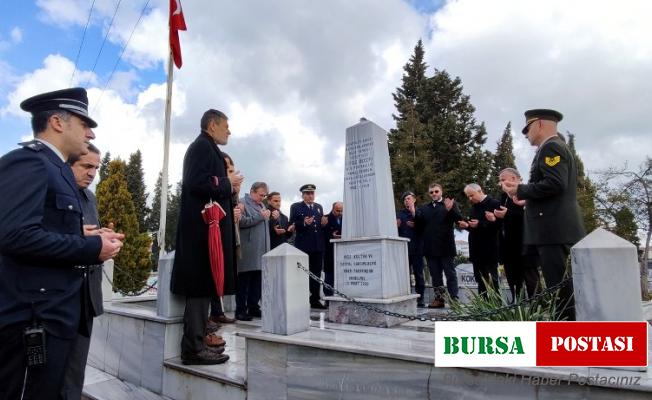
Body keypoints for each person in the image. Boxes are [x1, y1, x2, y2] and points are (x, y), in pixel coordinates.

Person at [0, 88, 124, 400]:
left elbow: (39, 228)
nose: (90, 132)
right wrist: (92, 249)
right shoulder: (30, 163)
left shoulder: (56, 169)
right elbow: (14, 235)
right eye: (84, 124)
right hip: (32, 318)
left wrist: (83, 237)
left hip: (53, 316)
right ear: (57, 121)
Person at [171, 109, 243, 365]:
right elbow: (196, 182)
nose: (229, 131)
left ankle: (198, 341)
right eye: (226, 126)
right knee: (199, 289)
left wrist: (228, 186)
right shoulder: (201, 147)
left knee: (205, 289)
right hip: (201, 234)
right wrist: (227, 182)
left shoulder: (209, 147)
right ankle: (192, 348)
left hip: (208, 233)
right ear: (212, 124)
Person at [502, 109, 585, 320]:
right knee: (559, 286)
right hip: (554, 229)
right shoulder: (551, 148)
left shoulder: (551, 148)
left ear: (539, 124)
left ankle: (565, 336)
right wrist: (528, 198)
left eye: (527, 128)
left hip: (554, 230)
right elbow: (552, 188)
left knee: (559, 287)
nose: (526, 134)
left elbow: (555, 184)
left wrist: (520, 189)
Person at [61, 143, 105, 399]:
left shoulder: (91, 198)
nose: (92, 173)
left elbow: (91, 239)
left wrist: (104, 243)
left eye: (96, 168)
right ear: (68, 165)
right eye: (86, 166)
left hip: (85, 296)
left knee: (76, 368)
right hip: (58, 296)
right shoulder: (53, 192)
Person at [487, 168, 540, 301]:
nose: (501, 183)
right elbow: (503, 222)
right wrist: (495, 219)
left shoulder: (527, 193)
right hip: (508, 246)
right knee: (513, 278)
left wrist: (507, 214)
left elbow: (529, 217)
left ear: (514, 179)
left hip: (525, 244)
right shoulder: (503, 197)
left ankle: (537, 306)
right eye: (500, 181)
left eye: (503, 180)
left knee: (530, 278)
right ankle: (517, 305)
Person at [415, 183, 463, 308]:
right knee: (435, 276)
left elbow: (459, 220)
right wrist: (413, 214)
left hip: (446, 247)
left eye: (436, 191)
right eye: (431, 192)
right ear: (429, 194)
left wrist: (450, 210)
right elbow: (419, 226)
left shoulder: (450, 204)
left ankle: (454, 299)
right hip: (430, 248)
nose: (434, 194)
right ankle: (439, 299)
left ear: (441, 191)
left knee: (450, 274)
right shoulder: (424, 208)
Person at [235, 182, 271, 321]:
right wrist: (260, 217)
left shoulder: (261, 205)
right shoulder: (242, 203)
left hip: (262, 249)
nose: (262, 198)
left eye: (264, 195)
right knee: (244, 282)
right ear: (252, 191)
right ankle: (240, 310)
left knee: (257, 281)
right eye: (260, 195)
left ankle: (254, 307)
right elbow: (241, 222)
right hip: (248, 249)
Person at [458, 184, 501, 297]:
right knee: (480, 281)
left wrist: (480, 224)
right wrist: (467, 226)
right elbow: (475, 229)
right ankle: (483, 306)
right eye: (468, 196)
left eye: (471, 195)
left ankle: (495, 307)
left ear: (479, 191)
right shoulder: (474, 207)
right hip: (476, 250)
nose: (470, 198)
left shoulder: (494, 204)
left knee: (492, 280)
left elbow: (498, 226)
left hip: (489, 249)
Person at [289, 184, 327, 309]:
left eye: (312, 193)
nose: (310, 196)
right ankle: (301, 299)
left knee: (316, 274)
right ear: (303, 195)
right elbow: (292, 224)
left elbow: (319, 226)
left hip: (318, 246)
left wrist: (324, 224)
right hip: (304, 246)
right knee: (302, 274)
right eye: (307, 193)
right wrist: (304, 223)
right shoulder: (296, 207)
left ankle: (315, 299)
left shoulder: (318, 207)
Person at [396, 191, 425, 307]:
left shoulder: (420, 212)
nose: (406, 201)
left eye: (408, 198)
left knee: (419, 274)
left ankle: (420, 298)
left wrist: (414, 215)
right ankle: (407, 297)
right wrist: (396, 226)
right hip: (404, 250)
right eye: (405, 199)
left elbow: (424, 226)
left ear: (414, 200)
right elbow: (396, 231)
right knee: (405, 275)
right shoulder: (399, 214)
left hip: (417, 249)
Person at [322, 201, 343, 298]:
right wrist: (332, 236)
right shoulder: (325, 218)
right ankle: (328, 297)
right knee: (329, 276)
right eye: (338, 210)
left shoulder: (345, 219)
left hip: (342, 251)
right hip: (329, 251)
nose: (340, 213)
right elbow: (322, 234)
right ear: (333, 209)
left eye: (342, 211)